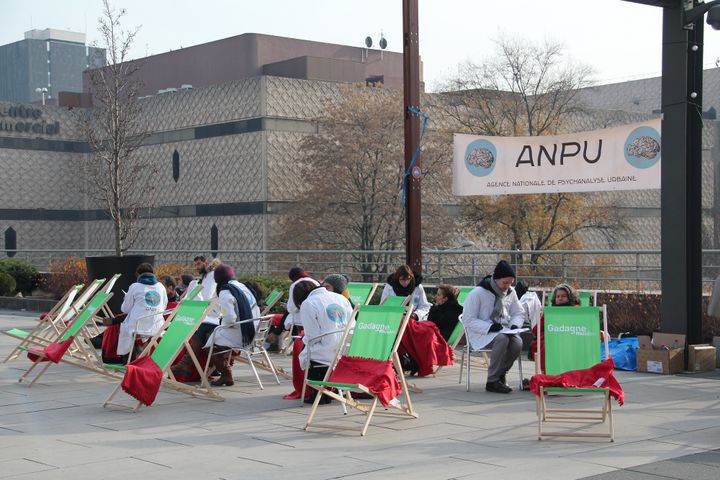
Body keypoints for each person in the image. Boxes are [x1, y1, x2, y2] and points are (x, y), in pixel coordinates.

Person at [463, 260, 525, 394]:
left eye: (510, 283)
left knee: (518, 342)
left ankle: (501, 373)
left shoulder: (511, 292)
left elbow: (518, 313)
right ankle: (492, 380)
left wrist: (515, 324)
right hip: (481, 333)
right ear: (496, 279)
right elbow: (468, 319)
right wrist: (489, 327)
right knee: (502, 339)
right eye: (505, 283)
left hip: (503, 330)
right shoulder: (477, 293)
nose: (507, 286)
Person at [296, 278, 353, 403]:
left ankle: (318, 392)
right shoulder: (341, 298)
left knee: (307, 351)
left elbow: (312, 336)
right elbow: (352, 323)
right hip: (346, 348)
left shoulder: (309, 303)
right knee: (316, 350)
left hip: (327, 350)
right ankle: (327, 390)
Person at [204, 264, 255, 387]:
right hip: (254, 330)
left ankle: (226, 374)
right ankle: (226, 370)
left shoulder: (225, 291)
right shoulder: (242, 286)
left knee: (210, 343)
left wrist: (221, 322)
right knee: (215, 336)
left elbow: (230, 319)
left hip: (241, 332)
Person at [117, 263, 168, 360]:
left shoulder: (135, 286)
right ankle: (142, 355)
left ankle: (128, 360)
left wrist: (126, 299)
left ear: (138, 275)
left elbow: (125, 309)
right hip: (157, 326)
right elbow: (164, 306)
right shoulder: (161, 287)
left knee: (125, 326)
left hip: (138, 326)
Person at [530, 283, 581, 371]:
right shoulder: (549, 312)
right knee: (546, 344)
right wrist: (543, 317)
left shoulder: (577, 312)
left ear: (570, 297)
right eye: (557, 296)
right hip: (551, 338)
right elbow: (536, 330)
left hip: (571, 337)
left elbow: (584, 326)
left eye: (563, 296)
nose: (560, 298)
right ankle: (547, 372)